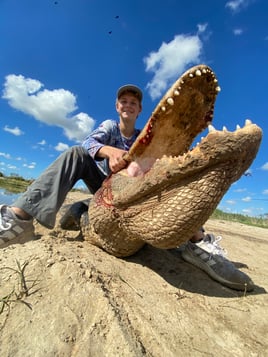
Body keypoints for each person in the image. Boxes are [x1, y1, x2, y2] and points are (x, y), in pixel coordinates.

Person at [0, 84, 254, 291]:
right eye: (124, 101)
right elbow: (89, 142)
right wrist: (111, 153)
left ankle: (198, 242)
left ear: (139, 109)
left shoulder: (145, 135)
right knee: (76, 153)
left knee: (174, 174)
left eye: (133, 102)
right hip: (102, 183)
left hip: (134, 187)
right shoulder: (110, 127)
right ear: (117, 106)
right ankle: (18, 220)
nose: (128, 105)